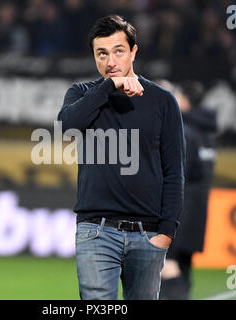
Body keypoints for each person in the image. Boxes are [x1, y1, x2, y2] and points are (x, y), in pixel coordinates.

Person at [57, 15, 185, 300]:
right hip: (96, 233)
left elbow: (174, 172)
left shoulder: (163, 101)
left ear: (133, 52)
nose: (110, 60)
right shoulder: (82, 93)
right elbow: (67, 126)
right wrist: (109, 87)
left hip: (148, 234)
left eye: (118, 51)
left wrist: (165, 233)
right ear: (94, 56)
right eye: (102, 53)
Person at [159, 81, 217, 300]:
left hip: (180, 209)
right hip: (198, 209)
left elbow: (178, 173)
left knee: (168, 264)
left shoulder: (185, 133)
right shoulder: (207, 134)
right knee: (184, 264)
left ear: (184, 100)